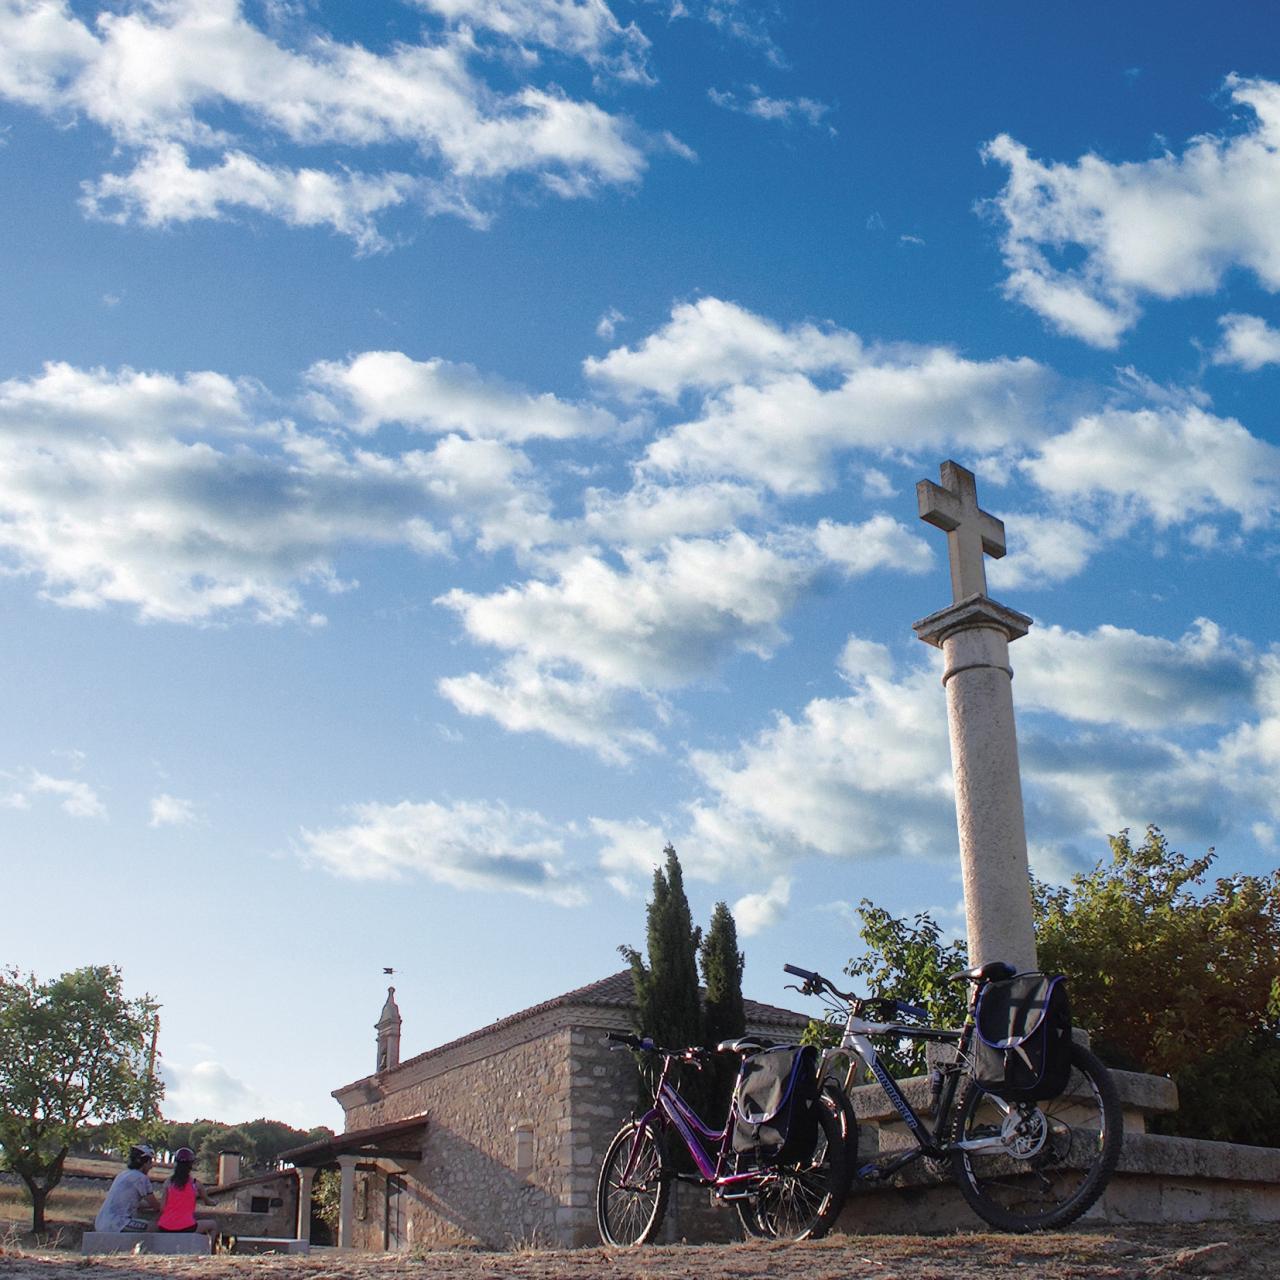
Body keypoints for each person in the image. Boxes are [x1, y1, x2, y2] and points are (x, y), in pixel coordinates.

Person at [155, 1147, 218, 1243]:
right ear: (190, 1165)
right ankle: (208, 1252)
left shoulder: (168, 1182)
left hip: (165, 1226)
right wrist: (214, 1202)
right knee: (213, 1225)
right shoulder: (196, 1184)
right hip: (187, 1226)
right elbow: (208, 1202)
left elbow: (162, 1208)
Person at [95, 1144, 160, 1232]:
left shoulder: (123, 1174)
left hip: (101, 1222)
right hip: (119, 1223)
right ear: (143, 1162)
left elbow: (132, 1203)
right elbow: (156, 1206)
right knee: (154, 1227)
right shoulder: (141, 1178)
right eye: (149, 1162)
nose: (151, 1166)